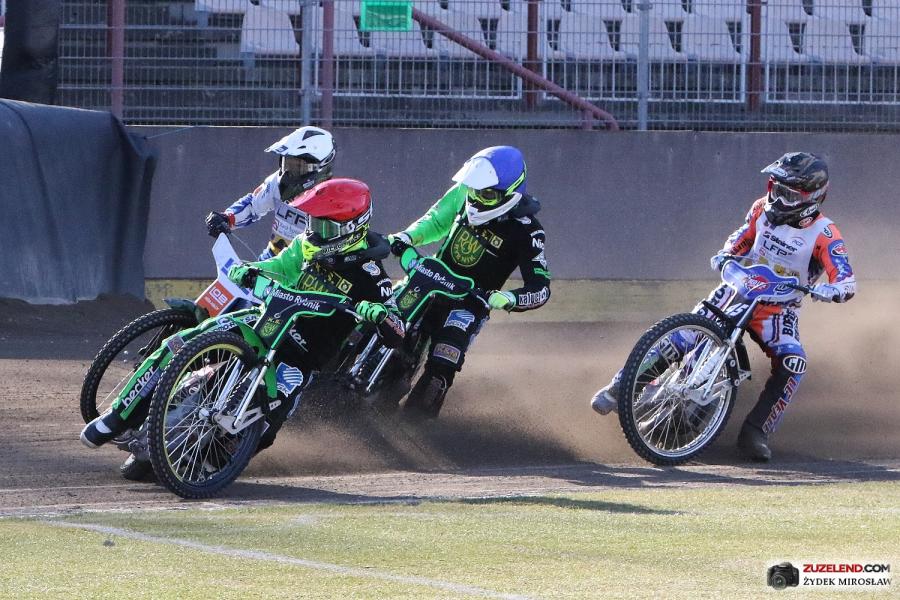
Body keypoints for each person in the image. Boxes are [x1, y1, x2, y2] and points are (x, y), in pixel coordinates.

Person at [82, 177, 404, 457]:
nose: (314, 232)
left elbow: (397, 328)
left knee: (270, 419)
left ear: (350, 228)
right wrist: (249, 270)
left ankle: (213, 461)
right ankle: (118, 417)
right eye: (313, 223)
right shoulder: (305, 245)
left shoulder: (371, 276)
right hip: (262, 322)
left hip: (301, 356)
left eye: (324, 226)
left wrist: (377, 314)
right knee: (180, 343)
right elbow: (277, 267)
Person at [590, 152, 856, 461]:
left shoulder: (825, 234)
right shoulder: (761, 208)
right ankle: (622, 386)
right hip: (738, 289)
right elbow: (740, 238)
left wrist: (832, 290)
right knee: (684, 334)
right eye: (776, 189)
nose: (779, 199)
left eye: (789, 194)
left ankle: (756, 432)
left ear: (812, 197)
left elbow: (846, 279)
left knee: (794, 363)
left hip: (778, 309)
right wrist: (726, 254)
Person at [387, 145, 551, 418]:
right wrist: (407, 237)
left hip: (469, 303)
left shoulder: (528, 231)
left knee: (444, 360)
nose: (475, 198)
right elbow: (435, 222)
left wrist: (509, 298)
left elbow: (541, 288)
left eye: (485, 194)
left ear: (510, 193)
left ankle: (416, 424)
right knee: (381, 318)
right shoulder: (464, 193)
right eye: (473, 190)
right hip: (429, 281)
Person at [205, 126, 336, 259]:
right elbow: (253, 205)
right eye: (287, 163)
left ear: (318, 168)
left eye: (298, 166)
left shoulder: (334, 201)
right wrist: (226, 218)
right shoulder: (279, 183)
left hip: (308, 266)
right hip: (271, 261)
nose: (289, 173)